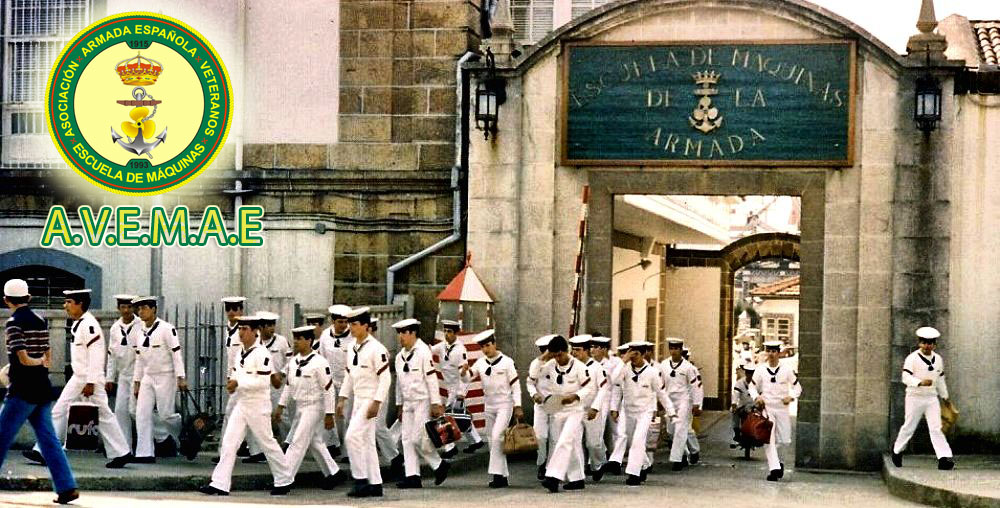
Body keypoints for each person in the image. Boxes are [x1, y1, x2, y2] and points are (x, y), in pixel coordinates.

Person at [23, 289, 131, 468]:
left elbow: (97, 354)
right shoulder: (78, 323)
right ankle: (42, 451)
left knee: (102, 414)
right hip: (79, 377)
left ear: (80, 304)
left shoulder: (89, 325)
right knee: (61, 411)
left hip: (88, 379)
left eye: (69, 302)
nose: (65, 305)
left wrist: (91, 381)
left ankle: (122, 453)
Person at [0, 279, 79, 504]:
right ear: (28, 298)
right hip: (41, 389)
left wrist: (33, 362)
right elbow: (48, 357)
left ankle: (66, 487)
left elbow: (23, 358)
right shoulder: (40, 319)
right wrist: (41, 362)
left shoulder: (13, 323)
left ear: (6, 300)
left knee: (1, 436)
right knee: (48, 440)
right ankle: (66, 486)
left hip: (21, 391)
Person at [200, 315, 293, 496]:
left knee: (267, 443)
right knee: (229, 442)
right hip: (242, 403)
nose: (241, 333)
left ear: (254, 331)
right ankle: (219, 483)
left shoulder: (262, 354)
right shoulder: (240, 352)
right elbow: (236, 373)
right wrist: (233, 382)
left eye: (244, 329)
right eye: (240, 329)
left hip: (258, 405)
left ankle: (284, 478)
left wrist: (238, 383)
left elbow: (262, 382)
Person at [273, 325, 347, 490]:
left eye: (300, 339)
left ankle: (284, 480)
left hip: (315, 407)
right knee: (315, 442)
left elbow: (328, 390)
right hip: (301, 406)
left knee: (297, 441)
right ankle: (334, 473)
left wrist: (329, 414)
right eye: (295, 338)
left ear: (309, 340)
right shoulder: (293, 361)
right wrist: (280, 406)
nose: (296, 342)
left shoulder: (320, 362)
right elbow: (288, 386)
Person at [336, 307, 392, 498]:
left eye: (355, 324)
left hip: (371, 398)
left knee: (352, 437)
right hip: (358, 398)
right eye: (350, 324)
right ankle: (375, 483)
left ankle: (360, 480)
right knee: (367, 442)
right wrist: (342, 398)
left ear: (366, 326)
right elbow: (349, 376)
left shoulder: (377, 349)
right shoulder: (351, 347)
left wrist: (377, 403)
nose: (351, 327)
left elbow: (386, 379)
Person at [391, 318, 451, 488]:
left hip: (422, 401)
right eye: (399, 333)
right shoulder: (399, 356)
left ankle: (439, 465)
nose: (401, 337)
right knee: (407, 440)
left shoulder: (423, 352)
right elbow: (399, 383)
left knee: (418, 439)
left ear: (413, 333)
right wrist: (399, 404)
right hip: (408, 402)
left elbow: (431, 379)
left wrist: (435, 403)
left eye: (404, 333)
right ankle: (412, 476)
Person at [460, 329, 523, 488]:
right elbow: (469, 377)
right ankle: (502, 476)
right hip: (489, 404)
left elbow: (515, 386)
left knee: (497, 437)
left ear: (494, 344)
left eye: (488, 345)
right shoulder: (481, 362)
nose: (486, 350)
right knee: (492, 440)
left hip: (504, 403)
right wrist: (464, 372)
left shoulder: (507, 362)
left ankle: (496, 475)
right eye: (483, 347)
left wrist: (518, 406)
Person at [606, 341, 676, 486]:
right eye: (631, 353)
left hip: (645, 412)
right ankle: (643, 466)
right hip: (628, 410)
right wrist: (623, 360)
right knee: (630, 440)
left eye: (636, 354)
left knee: (638, 440)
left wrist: (671, 412)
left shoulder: (652, 372)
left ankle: (633, 474)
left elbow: (661, 393)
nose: (633, 357)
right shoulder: (625, 369)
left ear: (643, 354)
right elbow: (613, 381)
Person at [132, 296, 187, 463]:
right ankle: (144, 453)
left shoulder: (166, 329)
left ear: (154, 309)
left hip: (166, 375)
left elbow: (176, 354)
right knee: (141, 413)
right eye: (139, 309)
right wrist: (137, 381)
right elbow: (139, 359)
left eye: (145, 308)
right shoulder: (140, 332)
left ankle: (182, 432)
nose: (141, 311)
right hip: (148, 376)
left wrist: (181, 377)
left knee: (165, 415)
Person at [890, 326, 954, 470]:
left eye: (930, 343)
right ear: (919, 343)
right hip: (915, 397)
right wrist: (919, 382)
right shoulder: (912, 359)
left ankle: (944, 457)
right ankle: (897, 451)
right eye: (924, 342)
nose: (927, 345)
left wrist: (945, 397)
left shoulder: (938, 359)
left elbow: (940, 379)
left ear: (934, 344)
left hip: (931, 398)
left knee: (936, 428)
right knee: (909, 426)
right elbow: (905, 377)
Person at [540, 335, 594, 493]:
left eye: (559, 355)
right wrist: (542, 358)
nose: (557, 358)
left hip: (575, 410)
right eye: (554, 355)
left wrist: (576, 396)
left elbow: (589, 387)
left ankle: (553, 477)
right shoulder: (550, 364)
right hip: (558, 409)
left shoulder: (579, 367)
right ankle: (577, 479)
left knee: (564, 441)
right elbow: (535, 376)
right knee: (570, 443)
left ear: (566, 351)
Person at [240, 311, 290, 463]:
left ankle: (289, 444)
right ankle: (257, 450)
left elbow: (290, 360)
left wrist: (282, 374)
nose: (271, 328)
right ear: (260, 327)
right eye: (268, 325)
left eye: (273, 325)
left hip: (276, 385)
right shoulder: (254, 343)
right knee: (258, 418)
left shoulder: (281, 341)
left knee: (281, 416)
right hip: (258, 385)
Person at [429, 319, 484, 458]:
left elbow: (463, 374)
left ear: (456, 333)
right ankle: (476, 440)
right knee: (460, 415)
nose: (447, 334)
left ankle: (450, 447)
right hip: (449, 386)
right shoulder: (442, 346)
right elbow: (429, 350)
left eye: (450, 332)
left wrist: (460, 393)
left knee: (446, 416)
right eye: (445, 331)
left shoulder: (460, 350)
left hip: (457, 386)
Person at [749, 340, 802, 481]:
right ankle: (774, 469)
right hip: (768, 408)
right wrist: (757, 397)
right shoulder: (760, 370)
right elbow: (752, 387)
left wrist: (791, 397)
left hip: (782, 409)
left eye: (774, 351)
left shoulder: (787, 370)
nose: (771, 354)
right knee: (769, 438)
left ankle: (780, 463)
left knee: (784, 440)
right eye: (769, 351)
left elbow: (798, 388)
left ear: (778, 353)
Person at [569, 335, 609, 481]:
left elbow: (603, 389)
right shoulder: (571, 366)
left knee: (593, 443)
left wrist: (596, 407)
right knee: (574, 441)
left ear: (586, 351)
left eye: (578, 350)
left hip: (592, 409)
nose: (574, 353)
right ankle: (577, 475)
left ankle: (599, 464)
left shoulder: (597, 368)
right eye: (573, 350)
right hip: (575, 409)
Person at [105, 294, 141, 454]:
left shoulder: (140, 326)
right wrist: (110, 378)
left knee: (135, 410)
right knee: (120, 411)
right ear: (118, 308)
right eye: (123, 307)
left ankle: (163, 436)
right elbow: (112, 355)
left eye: (129, 307)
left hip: (138, 374)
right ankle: (125, 449)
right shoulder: (115, 328)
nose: (126, 310)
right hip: (124, 374)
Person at [660, 338, 702, 471]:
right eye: (671, 348)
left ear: (681, 350)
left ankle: (677, 459)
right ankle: (693, 450)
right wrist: (658, 401)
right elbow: (660, 384)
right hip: (669, 400)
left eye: (676, 349)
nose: (673, 351)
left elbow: (696, 386)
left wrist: (697, 404)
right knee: (671, 430)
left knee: (680, 429)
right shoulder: (664, 365)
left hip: (684, 400)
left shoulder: (689, 368)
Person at [317, 304, 353, 456]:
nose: (343, 325)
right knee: (329, 413)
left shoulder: (352, 336)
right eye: (340, 322)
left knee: (345, 416)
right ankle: (332, 444)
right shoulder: (325, 335)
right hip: (330, 381)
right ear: (333, 321)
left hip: (347, 382)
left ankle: (347, 450)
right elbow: (322, 358)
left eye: (345, 322)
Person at [525, 334, 554, 480]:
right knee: (541, 436)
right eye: (543, 351)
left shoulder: (560, 363)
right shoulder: (536, 364)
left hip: (557, 405)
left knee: (555, 438)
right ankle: (541, 463)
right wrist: (533, 394)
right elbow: (530, 382)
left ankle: (552, 467)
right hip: (541, 405)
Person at [603, 343, 631, 476]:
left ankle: (645, 464)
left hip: (643, 409)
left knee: (635, 437)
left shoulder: (648, 369)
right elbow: (616, 385)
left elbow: (656, 392)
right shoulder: (622, 368)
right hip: (626, 406)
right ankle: (615, 461)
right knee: (621, 433)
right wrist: (614, 408)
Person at [730, 363, 755, 448]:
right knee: (734, 413)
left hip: (754, 406)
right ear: (746, 373)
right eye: (748, 372)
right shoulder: (739, 383)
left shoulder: (758, 383)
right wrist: (734, 404)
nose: (750, 375)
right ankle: (737, 433)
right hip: (742, 406)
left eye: (752, 372)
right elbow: (736, 395)